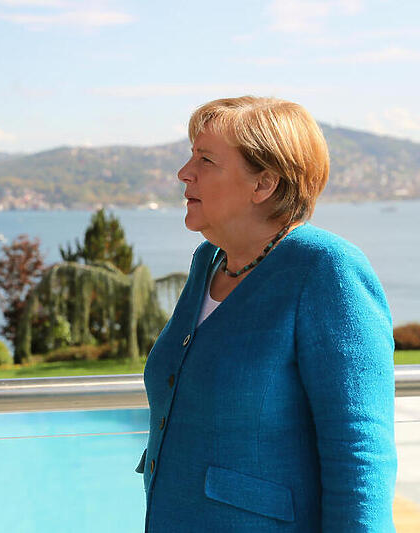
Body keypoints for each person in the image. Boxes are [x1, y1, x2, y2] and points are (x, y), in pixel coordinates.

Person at [138, 96, 396, 532]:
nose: (184, 172)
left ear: (264, 185)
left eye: (205, 159)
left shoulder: (325, 268)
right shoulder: (209, 262)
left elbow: (360, 454)